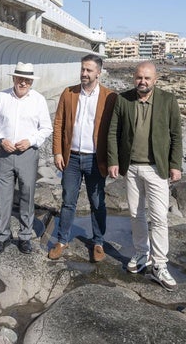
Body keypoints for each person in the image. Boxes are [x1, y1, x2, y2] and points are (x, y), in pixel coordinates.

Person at [107, 61, 183, 291]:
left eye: (147, 78)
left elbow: (176, 135)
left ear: (155, 79)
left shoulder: (168, 101)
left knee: (159, 217)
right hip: (131, 168)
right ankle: (142, 255)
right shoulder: (124, 99)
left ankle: (160, 264)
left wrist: (175, 165)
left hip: (156, 168)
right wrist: (113, 160)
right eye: (139, 77)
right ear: (134, 78)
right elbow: (113, 132)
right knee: (135, 214)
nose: (143, 81)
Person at [48, 54, 117, 262]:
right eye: (82, 69)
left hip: (96, 159)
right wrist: (58, 151)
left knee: (97, 202)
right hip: (72, 159)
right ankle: (62, 240)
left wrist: (114, 160)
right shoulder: (69, 93)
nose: (84, 73)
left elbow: (115, 131)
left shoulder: (110, 96)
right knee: (68, 201)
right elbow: (58, 123)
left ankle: (98, 242)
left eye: (89, 70)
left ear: (98, 72)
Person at [0, 62, 53, 256]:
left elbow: (46, 128)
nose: (23, 82)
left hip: (27, 154)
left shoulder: (39, 100)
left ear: (31, 81)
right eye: (19, 78)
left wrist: (31, 141)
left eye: (27, 80)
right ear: (14, 78)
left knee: (27, 194)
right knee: (4, 197)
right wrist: (1, 139)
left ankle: (25, 237)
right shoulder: (1, 97)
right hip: (4, 153)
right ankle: (2, 236)